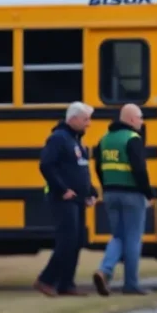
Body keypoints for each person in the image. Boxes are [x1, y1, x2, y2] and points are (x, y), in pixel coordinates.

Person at [35, 101, 98, 297]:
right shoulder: (58, 139)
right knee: (67, 241)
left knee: (77, 240)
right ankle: (46, 280)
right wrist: (62, 189)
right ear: (73, 119)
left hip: (77, 200)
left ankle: (66, 283)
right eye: (86, 119)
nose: (89, 124)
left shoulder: (75, 140)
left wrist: (91, 192)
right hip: (62, 199)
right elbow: (46, 165)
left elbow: (81, 171)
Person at [92, 104, 153, 296]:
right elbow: (140, 170)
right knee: (133, 239)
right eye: (140, 118)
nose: (142, 122)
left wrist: (106, 187)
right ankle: (131, 284)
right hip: (132, 195)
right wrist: (148, 193)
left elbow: (98, 167)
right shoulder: (133, 139)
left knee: (118, 236)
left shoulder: (104, 140)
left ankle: (105, 270)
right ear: (132, 119)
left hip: (110, 194)